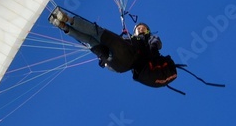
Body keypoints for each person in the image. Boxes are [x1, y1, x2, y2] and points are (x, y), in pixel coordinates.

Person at [48, 7, 177, 88]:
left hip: (127, 57)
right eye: (138, 28)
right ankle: (63, 26)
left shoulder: (149, 39)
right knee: (91, 41)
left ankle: (68, 19)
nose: (141, 28)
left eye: (143, 28)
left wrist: (152, 46)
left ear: (148, 31)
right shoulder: (130, 40)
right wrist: (105, 62)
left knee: (96, 32)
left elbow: (157, 44)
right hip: (121, 65)